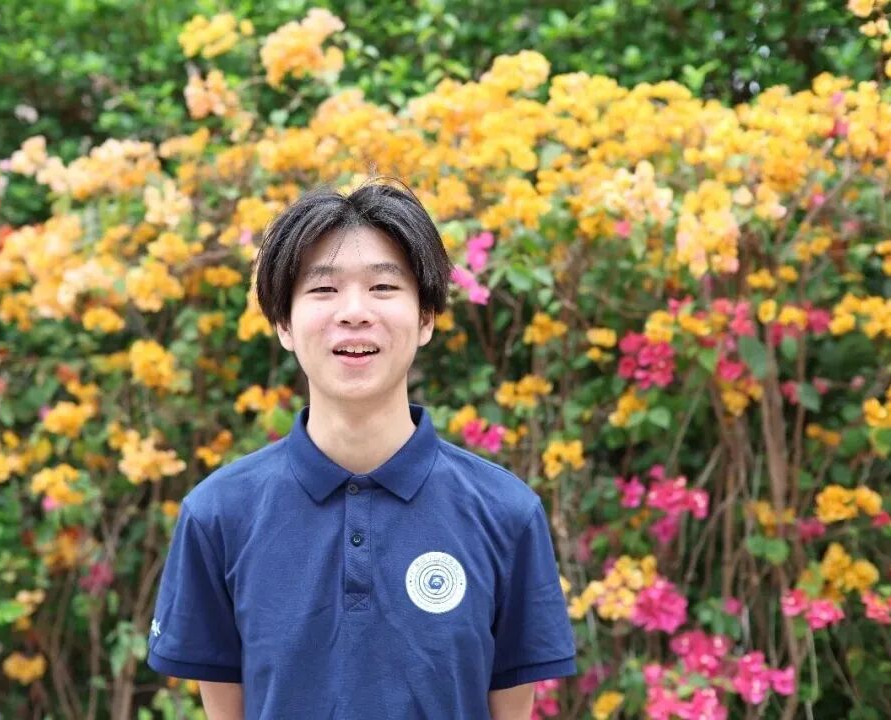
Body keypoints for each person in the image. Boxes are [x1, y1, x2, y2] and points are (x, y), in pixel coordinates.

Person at [147, 178, 576, 719]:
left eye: (383, 287)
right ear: (284, 323)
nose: (354, 312)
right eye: (324, 289)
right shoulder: (218, 516)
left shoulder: (506, 514)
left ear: (425, 317)